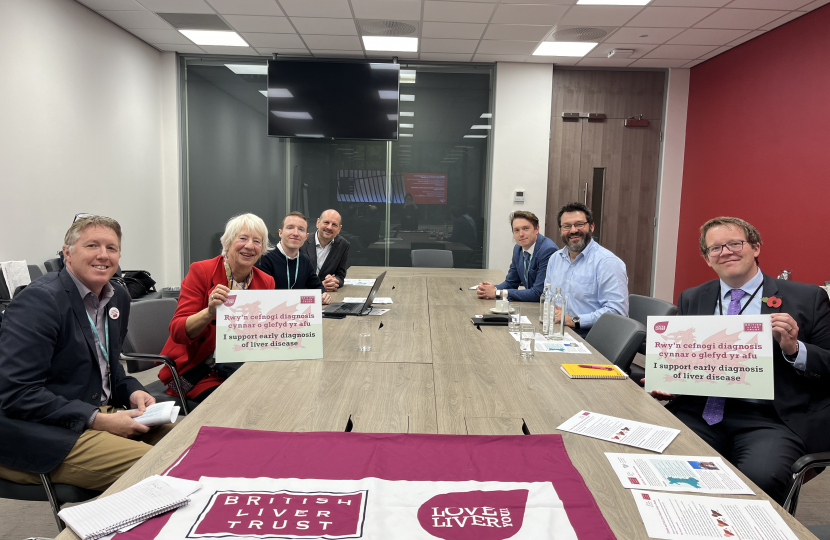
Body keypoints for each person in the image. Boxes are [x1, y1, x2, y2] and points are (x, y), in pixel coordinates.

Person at [651, 217, 830, 504]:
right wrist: (670, 379)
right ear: (708, 259)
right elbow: (685, 357)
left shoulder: (807, 298)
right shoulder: (693, 297)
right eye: (716, 248)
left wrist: (795, 349)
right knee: (662, 465)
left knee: (759, 480)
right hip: (700, 410)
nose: (726, 252)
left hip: (770, 419)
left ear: (756, 247)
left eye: (735, 243)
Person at [0, 216, 173, 491]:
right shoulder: (38, 302)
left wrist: (132, 391)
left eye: (111, 248)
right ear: (67, 253)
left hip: (95, 411)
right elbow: (17, 394)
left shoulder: (116, 295)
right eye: (92, 245)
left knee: (191, 441)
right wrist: (98, 420)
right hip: (43, 431)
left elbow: (107, 364)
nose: (103, 255)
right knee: (163, 468)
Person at [158, 214, 276, 403]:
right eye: (243, 238)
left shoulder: (266, 281)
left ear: (261, 250)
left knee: (278, 393)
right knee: (245, 401)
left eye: (257, 241)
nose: (249, 246)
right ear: (227, 244)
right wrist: (209, 312)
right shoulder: (201, 271)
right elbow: (178, 331)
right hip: (201, 370)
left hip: (243, 366)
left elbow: (264, 332)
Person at [542, 202, 628, 337]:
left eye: (579, 224)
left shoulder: (607, 262)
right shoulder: (555, 259)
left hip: (592, 338)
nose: (573, 230)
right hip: (559, 331)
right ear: (560, 230)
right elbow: (548, 295)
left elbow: (617, 312)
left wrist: (575, 321)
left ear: (591, 226)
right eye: (567, 226)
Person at [476, 211, 557, 302]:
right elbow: (511, 282)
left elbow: (539, 293)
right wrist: (487, 289)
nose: (521, 234)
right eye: (516, 230)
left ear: (536, 229)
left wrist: (497, 293)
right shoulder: (518, 248)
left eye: (526, 228)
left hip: (549, 309)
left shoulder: (548, 250)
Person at [256, 211, 333, 304]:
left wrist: (323, 296)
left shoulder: (305, 260)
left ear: (306, 236)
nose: (295, 233)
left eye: (301, 229)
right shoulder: (264, 258)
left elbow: (317, 288)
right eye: (290, 228)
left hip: (298, 314)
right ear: (280, 233)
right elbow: (263, 298)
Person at [300, 209, 350, 292]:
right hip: (305, 294)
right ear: (318, 223)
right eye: (326, 222)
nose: (329, 227)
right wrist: (319, 286)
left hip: (329, 295)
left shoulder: (343, 245)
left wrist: (334, 282)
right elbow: (295, 279)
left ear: (339, 229)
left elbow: (340, 275)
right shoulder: (302, 242)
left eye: (334, 225)